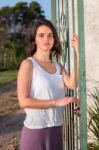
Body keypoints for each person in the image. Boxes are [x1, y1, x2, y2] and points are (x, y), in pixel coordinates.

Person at [17, 19, 79, 150]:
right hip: (36, 132)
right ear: (34, 39)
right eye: (41, 35)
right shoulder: (28, 65)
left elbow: (73, 84)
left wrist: (78, 54)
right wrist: (56, 102)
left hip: (56, 130)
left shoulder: (58, 67)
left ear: (54, 39)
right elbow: (23, 102)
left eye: (50, 35)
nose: (47, 39)